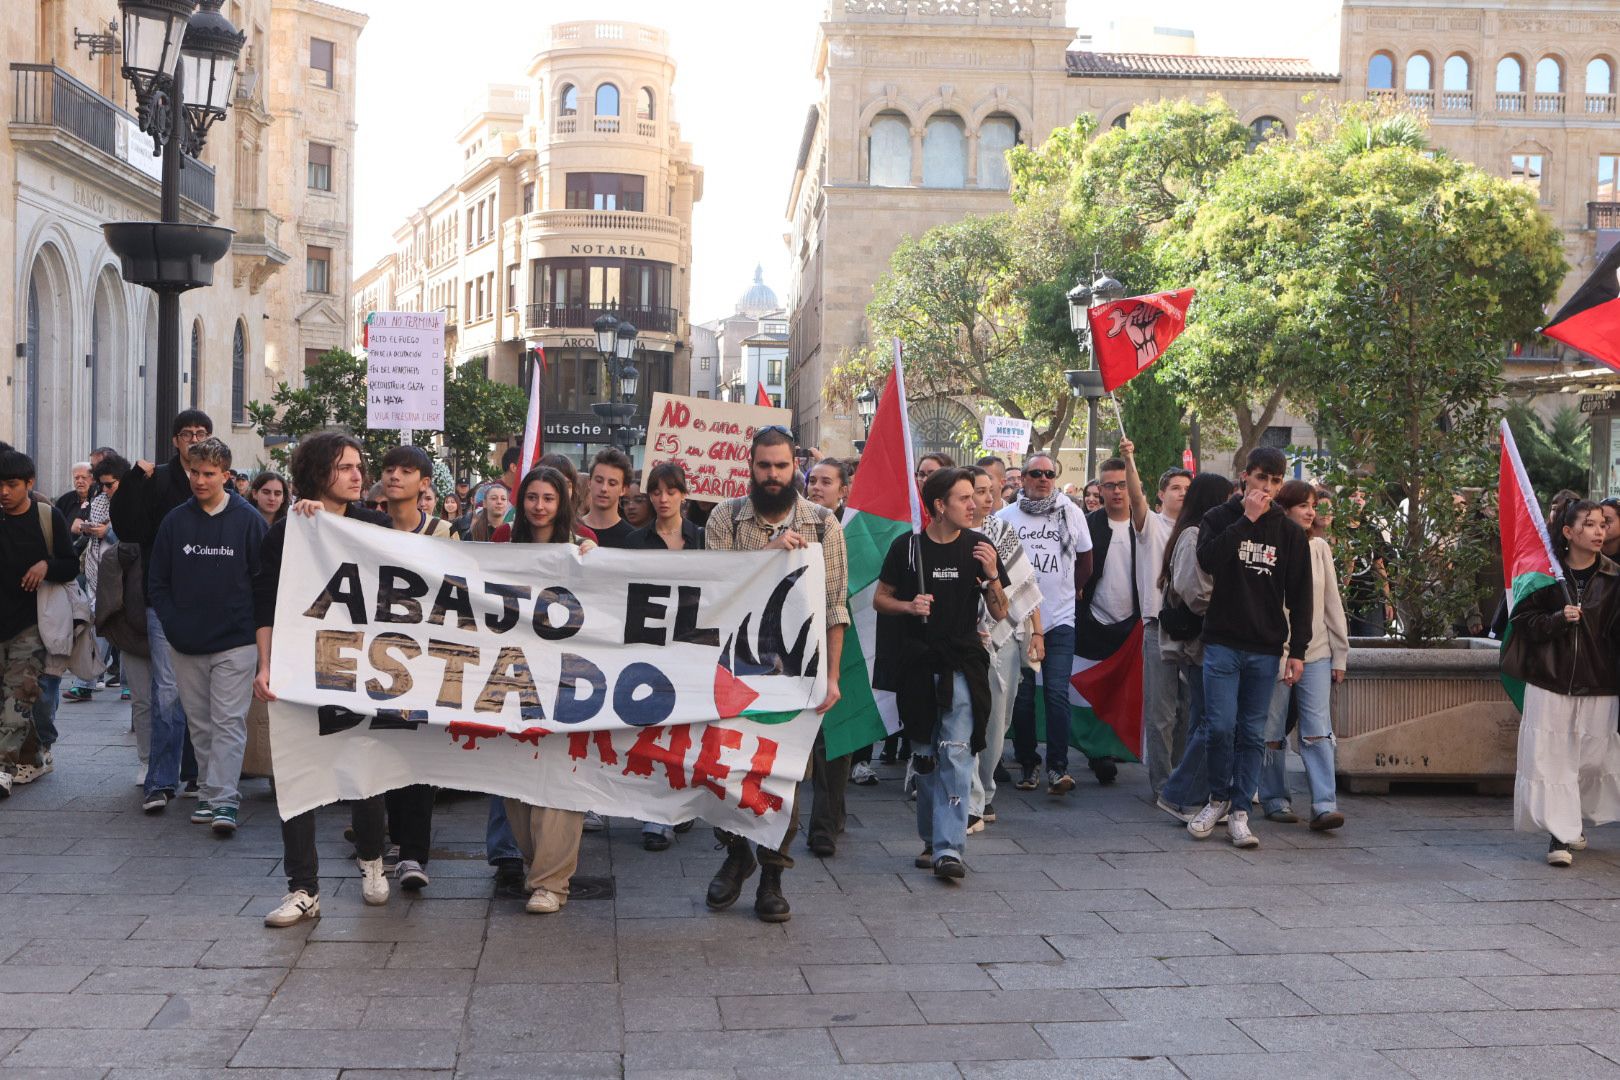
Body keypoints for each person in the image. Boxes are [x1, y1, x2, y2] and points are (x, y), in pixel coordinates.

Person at [703, 426, 847, 922]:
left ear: (796, 468)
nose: (772, 475)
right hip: (735, 669)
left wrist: (831, 677)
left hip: (797, 674)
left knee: (782, 776)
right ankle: (736, 852)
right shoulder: (725, 518)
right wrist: (768, 555)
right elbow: (717, 591)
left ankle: (772, 875)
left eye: (781, 466)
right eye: (763, 465)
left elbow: (834, 605)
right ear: (750, 466)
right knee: (727, 771)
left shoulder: (824, 524)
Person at [253, 433, 393, 927]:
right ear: (317, 473)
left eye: (359, 465)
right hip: (299, 668)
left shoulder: (374, 524)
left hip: (361, 669)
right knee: (296, 775)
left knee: (364, 768)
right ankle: (302, 888)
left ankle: (373, 860)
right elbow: (265, 606)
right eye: (345, 467)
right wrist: (265, 665)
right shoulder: (285, 534)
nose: (358, 475)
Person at [875, 467, 1008, 879]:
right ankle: (932, 841)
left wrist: (991, 577)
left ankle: (950, 848)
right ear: (938, 506)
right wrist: (909, 607)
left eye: (975, 497)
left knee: (956, 751)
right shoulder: (907, 548)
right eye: (964, 498)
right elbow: (881, 600)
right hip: (918, 665)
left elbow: (1002, 611)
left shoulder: (980, 547)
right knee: (926, 755)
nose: (975, 505)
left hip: (962, 665)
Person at [1183, 447, 1311, 850]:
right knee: (1219, 727)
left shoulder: (1288, 532)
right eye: (1261, 479)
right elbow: (1207, 560)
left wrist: (1299, 650)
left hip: (1266, 645)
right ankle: (1217, 798)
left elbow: (1301, 594)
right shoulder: (1218, 518)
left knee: (1253, 733)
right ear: (1245, 477)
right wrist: (1246, 520)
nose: (1267, 488)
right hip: (1222, 640)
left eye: (1275, 482)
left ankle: (1240, 811)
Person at [145, 438, 266, 832]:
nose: (200, 480)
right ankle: (212, 793)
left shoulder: (248, 520)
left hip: (236, 641)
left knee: (229, 721)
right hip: (187, 642)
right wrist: (173, 624)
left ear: (226, 476)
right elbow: (157, 581)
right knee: (200, 723)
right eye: (194, 472)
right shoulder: (175, 521)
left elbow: (262, 582)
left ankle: (225, 801)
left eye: (209, 474)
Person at [1505, 499, 1620, 867]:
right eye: (1589, 524)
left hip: (1600, 681)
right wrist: (1557, 618)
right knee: (1552, 760)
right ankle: (1560, 834)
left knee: (1592, 759)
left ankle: (1573, 818)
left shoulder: (1615, 579)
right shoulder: (1545, 575)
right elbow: (1522, 621)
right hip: (1551, 680)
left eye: (1603, 524)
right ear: (1569, 533)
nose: (1599, 531)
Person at [502, 465, 596, 911]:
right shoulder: (500, 546)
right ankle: (534, 864)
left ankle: (552, 883)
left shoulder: (581, 551)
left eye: (548, 498)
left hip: (565, 682)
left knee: (560, 777)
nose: (539, 506)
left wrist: (593, 560)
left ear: (562, 505)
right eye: (532, 497)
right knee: (516, 781)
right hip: (512, 681)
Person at [112, 411, 213, 812]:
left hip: (211, 605)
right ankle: (160, 781)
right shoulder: (158, 480)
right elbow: (130, 526)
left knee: (202, 694)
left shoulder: (222, 485)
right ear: (175, 441)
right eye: (186, 434)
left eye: (200, 433)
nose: (193, 439)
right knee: (167, 692)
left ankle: (194, 774)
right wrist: (135, 479)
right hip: (164, 601)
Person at [374, 444, 453, 890]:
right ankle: (391, 838)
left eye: (406, 470)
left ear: (425, 483)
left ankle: (413, 854)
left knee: (418, 756)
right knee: (383, 752)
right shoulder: (365, 529)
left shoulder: (445, 533)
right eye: (389, 469)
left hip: (428, 662)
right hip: (377, 661)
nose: (395, 476)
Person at [998, 452, 1094, 794]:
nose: (1043, 479)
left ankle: (1058, 768)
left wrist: (1075, 587)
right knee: (1023, 697)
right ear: (1022, 478)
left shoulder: (1072, 513)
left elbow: (1085, 558)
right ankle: (1028, 763)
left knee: (1056, 693)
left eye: (1049, 473)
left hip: (1061, 619)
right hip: (1019, 621)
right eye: (1035, 473)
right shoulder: (1005, 517)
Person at [1259, 481, 1349, 830]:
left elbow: (1332, 604)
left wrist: (1340, 654)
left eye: (1313, 505)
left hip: (1317, 651)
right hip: (1275, 652)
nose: (1311, 512)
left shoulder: (1320, 548)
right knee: (1272, 728)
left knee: (1317, 730)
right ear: (1285, 509)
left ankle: (1324, 804)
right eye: (1303, 506)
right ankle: (1274, 798)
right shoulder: (1269, 545)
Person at [626, 461, 703, 851]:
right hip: (648, 645)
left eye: (670, 491)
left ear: (683, 494)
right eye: (656, 492)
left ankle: (681, 805)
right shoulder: (635, 543)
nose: (662, 499)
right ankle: (654, 818)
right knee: (653, 729)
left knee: (686, 732)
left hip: (692, 647)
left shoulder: (703, 540)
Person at [0, 447, 79, 797]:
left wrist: (46, 566)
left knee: (20, 694)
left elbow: (70, 564)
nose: (4, 491)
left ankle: (2, 767)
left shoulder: (48, 517)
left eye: (12, 484)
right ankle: (33, 755)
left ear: (29, 484)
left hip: (32, 625)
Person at [1155, 472, 1233, 822]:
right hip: (1201, 642)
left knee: (1203, 719)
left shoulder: (1201, 533)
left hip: (1209, 640)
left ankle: (1192, 792)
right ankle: (1179, 792)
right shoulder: (1192, 535)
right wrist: (1234, 607)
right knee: (1209, 722)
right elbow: (1194, 592)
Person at [968, 465, 1041, 831]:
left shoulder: (1002, 531)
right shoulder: (947, 533)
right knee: (963, 720)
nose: (981, 498)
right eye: (973, 491)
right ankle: (970, 798)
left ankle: (987, 789)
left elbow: (1026, 588)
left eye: (986, 491)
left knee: (998, 723)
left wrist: (1038, 634)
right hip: (963, 641)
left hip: (1005, 637)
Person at [1134, 459, 1194, 797]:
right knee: (1161, 712)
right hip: (1159, 627)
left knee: (1187, 709)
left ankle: (1181, 779)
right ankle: (1162, 785)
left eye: (1188, 489)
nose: (1182, 494)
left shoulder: (1199, 530)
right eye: (1176, 488)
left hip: (1193, 630)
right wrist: (1130, 460)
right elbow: (1134, 495)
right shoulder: (1152, 526)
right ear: (1161, 494)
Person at [581, 448, 636, 547]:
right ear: (589, 483)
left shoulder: (633, 539)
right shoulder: (570, 532)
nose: (604, 488)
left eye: (612, 483)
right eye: (599, 481)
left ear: (623, 489)